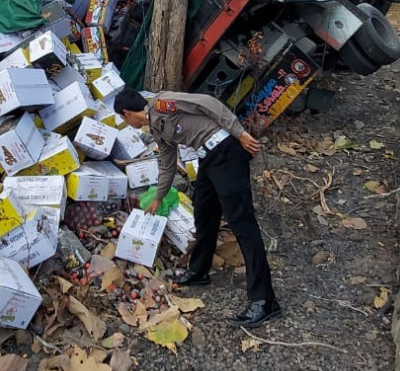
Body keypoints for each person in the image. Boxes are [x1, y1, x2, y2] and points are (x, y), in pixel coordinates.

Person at [113, 88, 279, 328]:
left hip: (226, 153)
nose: (125, 123)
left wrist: (239, 132)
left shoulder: (163, 104)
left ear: (127, 113)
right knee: (204, 213)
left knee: (242, 224)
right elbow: (168, 164)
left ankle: (264, 300)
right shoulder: (158, 129)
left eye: (122, 118)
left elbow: (207, 103)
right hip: (208, 159)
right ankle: (199, 271)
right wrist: (158, 197)